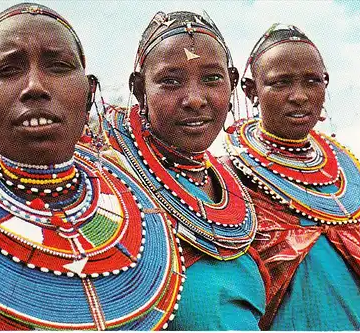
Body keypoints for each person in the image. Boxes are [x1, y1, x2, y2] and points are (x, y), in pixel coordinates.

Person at [0, 3, 184, 330]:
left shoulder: (146, 228)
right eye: (7, 69)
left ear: (89, 97)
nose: (34, 87)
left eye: (58, 66)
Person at [104, 11, 267, 330]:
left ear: (232, 83)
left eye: (212, 79)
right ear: (140, 90)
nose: (194, 99)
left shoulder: (234, 183)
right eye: (170, 81)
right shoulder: (112, 177)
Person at [225, 23, 360, 330]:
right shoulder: (228, 179)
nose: (300, 96)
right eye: (281, 83)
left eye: (313, 81)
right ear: (251, 90)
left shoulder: (351, 178)